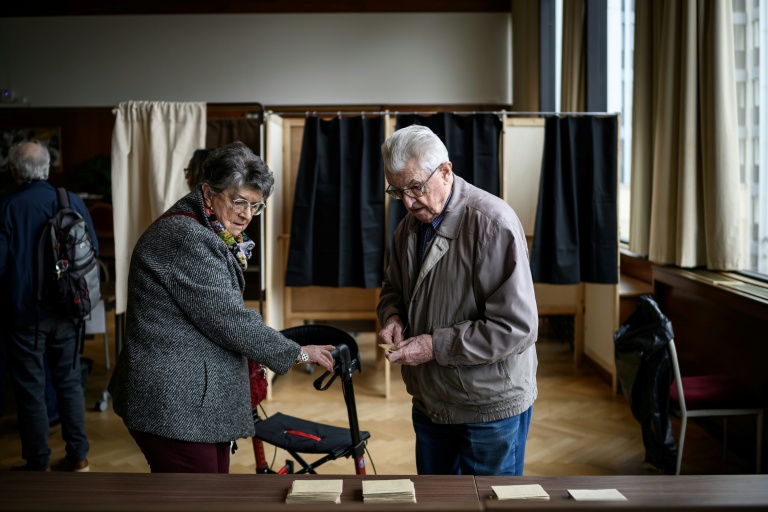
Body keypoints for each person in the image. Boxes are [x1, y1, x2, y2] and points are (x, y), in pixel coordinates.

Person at [108, 141, 335, 473]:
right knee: (198, 499)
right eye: (238, 201)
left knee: (214, 490)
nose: (246, 215)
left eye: (255, 206)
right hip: (172, 400)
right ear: (208, 192)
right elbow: (229, 320)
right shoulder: (189, 237)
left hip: (189, 396)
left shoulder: (203, 227)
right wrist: (297, 352)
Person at [377, 125, 539, 476]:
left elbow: (517, 328)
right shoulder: (408, 227)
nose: (407, 201)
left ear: (446, 172)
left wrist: (435, 346)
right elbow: (393, 287)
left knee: (490, 507)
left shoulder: (493, 224)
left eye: (415, 187)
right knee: (437, 504)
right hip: (432, 400)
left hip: (489, 407)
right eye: (397, 191)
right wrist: (393, 316)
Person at [0, 140, 95, 472]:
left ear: (13, 171)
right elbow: (90, 250)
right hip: (68, 310)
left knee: (30, 388)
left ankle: (38, 462)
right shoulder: (69, 201)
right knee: (68, 382)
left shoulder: (6, 207)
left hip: (24, 315)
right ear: (47, 169)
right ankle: (79, 456)